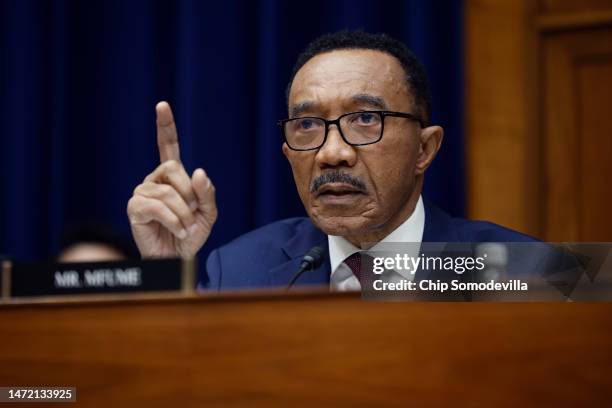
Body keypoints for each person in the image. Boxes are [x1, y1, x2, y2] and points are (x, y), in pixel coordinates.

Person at [126, 30, 536, 291]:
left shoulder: (527, 271)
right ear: (287, 154)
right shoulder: (238, 272)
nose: (330, 153)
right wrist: (165, 272)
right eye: (306, 124)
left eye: (364, 119)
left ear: (424, 150)